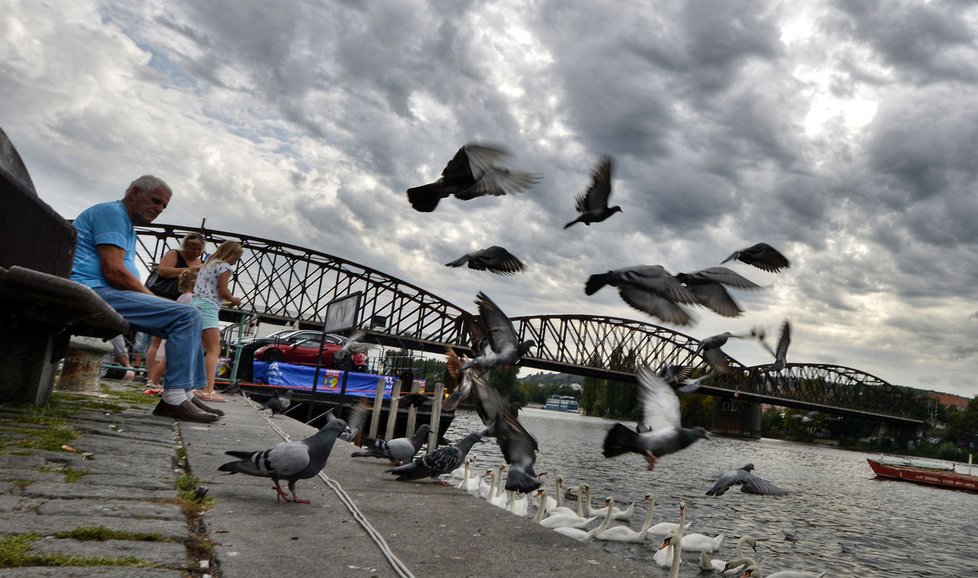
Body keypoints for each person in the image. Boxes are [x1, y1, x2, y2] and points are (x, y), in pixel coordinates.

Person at [70, 175, 220, 423]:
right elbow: (114, 271)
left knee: (191, 315)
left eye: (163, 206)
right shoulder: (112, 213)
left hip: (105, 292)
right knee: (187, 314)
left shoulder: (124, 222)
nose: (159, 209)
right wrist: (152, 298)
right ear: (134, 192)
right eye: (155, 201)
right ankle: (173, 399)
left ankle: (184, 392)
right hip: (92, 290)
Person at [145, 232, 206, 388]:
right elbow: (163, 271)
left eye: (200, 249)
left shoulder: (198, 260)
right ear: (186, 246)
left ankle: (164, 379)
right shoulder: (174, 253)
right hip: (164, 298)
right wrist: (188, 270)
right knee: (157, 341)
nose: (197, 252)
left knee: (173, 342)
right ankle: (151, 379)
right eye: (193, 248)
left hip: (182, 301)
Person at [192, 240, 243, 402]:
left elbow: (208, 293)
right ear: (230, 253)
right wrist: (233, 299)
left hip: (195, 305)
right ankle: (208, 390)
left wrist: (227, 301)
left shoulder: (207, 265)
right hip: (208, 310)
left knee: (197, 348)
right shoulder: (224, 267)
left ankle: (193, 386)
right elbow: (222, 292)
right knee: (214, 349)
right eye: (236, 257)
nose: (236, 261)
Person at [147, 269, 198, 396]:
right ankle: (156, 382)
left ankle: (154, 381)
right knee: (170, 360)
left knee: (167, 359)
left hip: (173, 332)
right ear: (193, 282)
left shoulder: (182, 297)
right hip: (181, 333)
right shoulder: (192, 298)